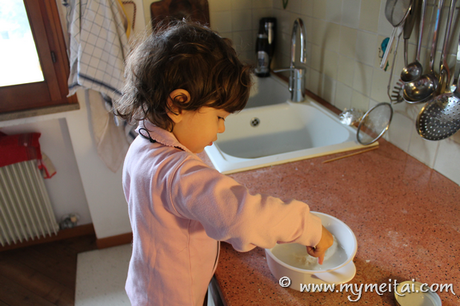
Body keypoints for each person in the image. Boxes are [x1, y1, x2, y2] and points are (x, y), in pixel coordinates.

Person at [116, 19, 333, 306]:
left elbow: (202, 206)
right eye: (218, 117)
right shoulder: (177, 173)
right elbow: (243, 216)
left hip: (149, 284)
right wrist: (311, 227)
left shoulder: (143, 143)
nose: (221, 130)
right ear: (178, 104)